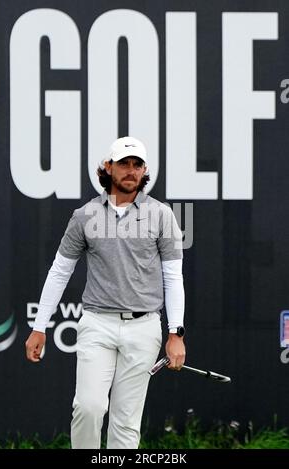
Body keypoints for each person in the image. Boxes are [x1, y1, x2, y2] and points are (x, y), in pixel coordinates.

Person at [25, 136, 186, 449]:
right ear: (108, 168)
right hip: (97, 323)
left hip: (144, 327)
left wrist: (175, 332)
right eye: (123, 163)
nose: (130, 170)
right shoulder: (84, 216)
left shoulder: (162, 215)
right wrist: (39, 327)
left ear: (144, 171)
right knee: (88, 407)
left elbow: (173, 276)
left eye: (137, 164)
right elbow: (60, 271)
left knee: (126, 422)